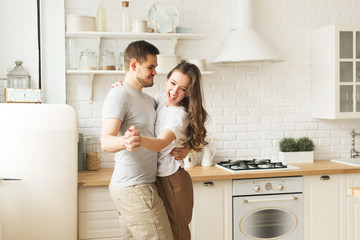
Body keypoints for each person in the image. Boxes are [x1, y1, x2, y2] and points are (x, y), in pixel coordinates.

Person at [101, 40, 187, 240]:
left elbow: (175, 123)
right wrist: (126, 141)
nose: (155, 72)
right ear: (134, 65)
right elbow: (105, 142)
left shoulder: (151, 100)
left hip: (144, 183)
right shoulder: (119, 93)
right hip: (133, 186)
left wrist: (187, 147)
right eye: (151, 67)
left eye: (155, 67)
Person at [124, 61, 209, 240]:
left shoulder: (179, 116)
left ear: (188, 93)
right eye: (173, 83)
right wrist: (121, 89)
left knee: (178, 233)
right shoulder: (161, 100)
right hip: (158, 176)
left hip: (172, 180)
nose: (174, 92)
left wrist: (139, 140)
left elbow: (161, 142)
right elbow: (138, 99)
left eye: (183, 89)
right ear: (167, 79)